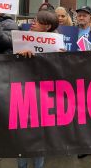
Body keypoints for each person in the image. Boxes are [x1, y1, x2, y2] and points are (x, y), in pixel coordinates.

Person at [16, 10, 62, 168]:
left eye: (37, 21)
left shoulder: (58, 44)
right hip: (22, 94)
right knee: (21, 135)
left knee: (40, 137)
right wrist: (19, 57)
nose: (33, 23)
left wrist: (61, 58)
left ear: (47, 26)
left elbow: (60, 73)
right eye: (33, 20)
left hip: (44, 97)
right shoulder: (22, 38)